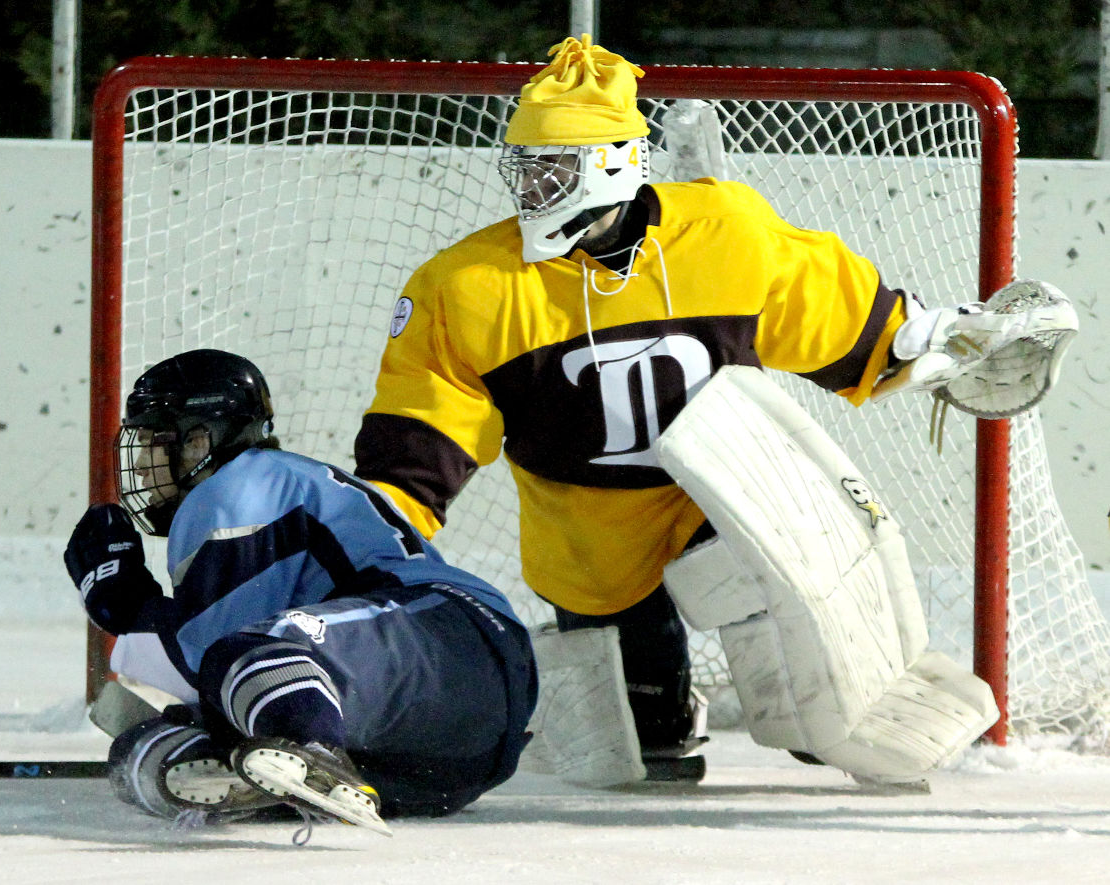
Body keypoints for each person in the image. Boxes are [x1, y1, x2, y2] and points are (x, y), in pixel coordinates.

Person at [351, 35, 1070, 777]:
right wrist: (381, 515)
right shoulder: (467, 284)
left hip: (718, 501)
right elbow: (426, 421)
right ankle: (666, 705)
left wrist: (923, 340)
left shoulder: (722, 232)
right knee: (640, 741)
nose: (532, 190)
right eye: (525, 172)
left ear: (611, 163)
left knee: (806, 686)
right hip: (585, 528)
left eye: (553, 170)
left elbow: (828, 310)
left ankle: (833, 710)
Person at [64, 348, 537, 833]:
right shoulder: (274, 481)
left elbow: (211, 660)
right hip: (455, 753)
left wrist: (128, 604)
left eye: (154, 443)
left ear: (198, 440)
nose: (142, 469)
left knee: (241, 661)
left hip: (451, 639)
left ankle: (310, 751)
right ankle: (297, 764)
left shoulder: (235, 488)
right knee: (141, 751)